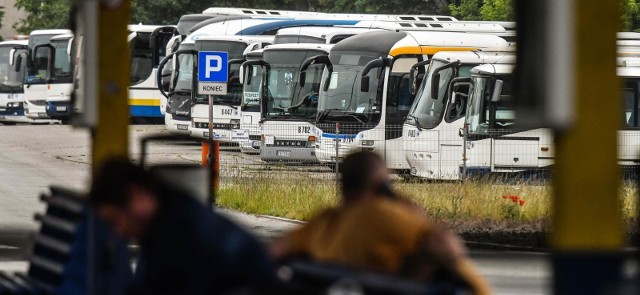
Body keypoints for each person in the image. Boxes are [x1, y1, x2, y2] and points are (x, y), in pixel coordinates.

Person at [271, 151, 491, 295]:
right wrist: (407, 207)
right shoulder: (396, 218)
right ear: (381, 184)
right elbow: (450, 252)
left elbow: (275, 251)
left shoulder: (325, 221)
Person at [90, 158, 275, 295]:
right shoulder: (169, 217)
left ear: (138, 196)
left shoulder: (182, 238)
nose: (118, 232)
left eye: (115, 221)